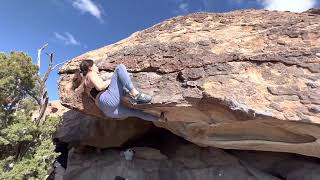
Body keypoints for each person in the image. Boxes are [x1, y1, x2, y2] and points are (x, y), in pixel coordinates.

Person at [79, 59, 165, 122]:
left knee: (136, 113)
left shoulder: (85, 84)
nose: (97, 67)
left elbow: (95, 97)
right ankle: (135, 94)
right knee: (120, 67)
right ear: (90, 67)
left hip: (107, 111)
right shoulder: (91, 74)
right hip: (107, 100)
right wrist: (111, 79)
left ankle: (160, 119)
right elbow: (100, 87)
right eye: (95, 65)